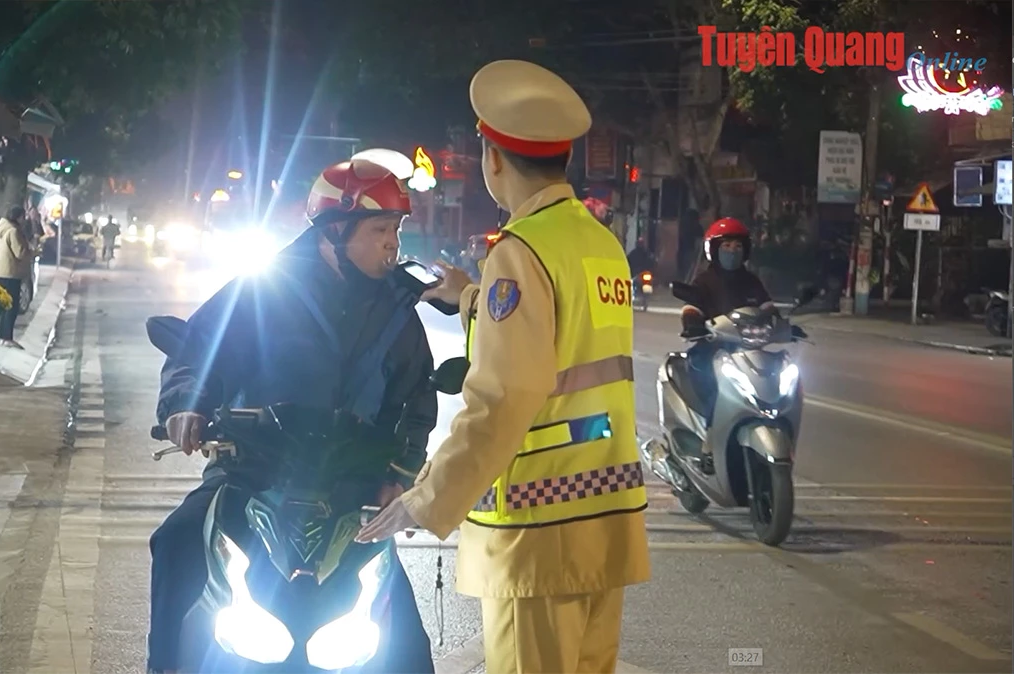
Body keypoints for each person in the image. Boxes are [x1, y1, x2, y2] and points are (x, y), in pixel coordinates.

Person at [357, 59, 650, 674]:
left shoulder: (521, 251)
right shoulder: (599, 243)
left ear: (492, 159)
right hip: (606, 518)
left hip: (539, 525)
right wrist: (470, 297)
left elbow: (505, 395)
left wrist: (428, 498)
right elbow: (562, 340)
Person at [149, 158, 437, 674]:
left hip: (351, 484)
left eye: (396, 230)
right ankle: (162, 667)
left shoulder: (399, 310)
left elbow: (417, 400)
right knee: (175, 541)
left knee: (404, 633)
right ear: (335, 230)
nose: (392, 244)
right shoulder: (264, 290)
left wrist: (399, 475)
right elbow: (198, 350)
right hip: (253, 472)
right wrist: (186, 403)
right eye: (379, 230)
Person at [680, 217, 774, 467]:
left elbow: (767, 308)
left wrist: (783, 324)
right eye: (726, 246)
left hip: (748, 350)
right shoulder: (704, 281)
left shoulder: (752, 281)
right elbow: (691, 307)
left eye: (738, 246)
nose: (732, 251)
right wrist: (693, 323)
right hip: (712, 349)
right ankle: (710, 441)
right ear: (714, 249)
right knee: (713, 387)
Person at [0, 206, 33, 349]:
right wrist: (32, 251)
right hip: (11, 273)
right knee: (12, 306)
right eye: (23, 216)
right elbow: (20, 253)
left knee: (6, 305)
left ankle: (3, 337)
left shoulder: (4, 229)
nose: (24, 219)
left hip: (3, 272)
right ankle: (7, 337)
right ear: (18, 217)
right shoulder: (14, 231)